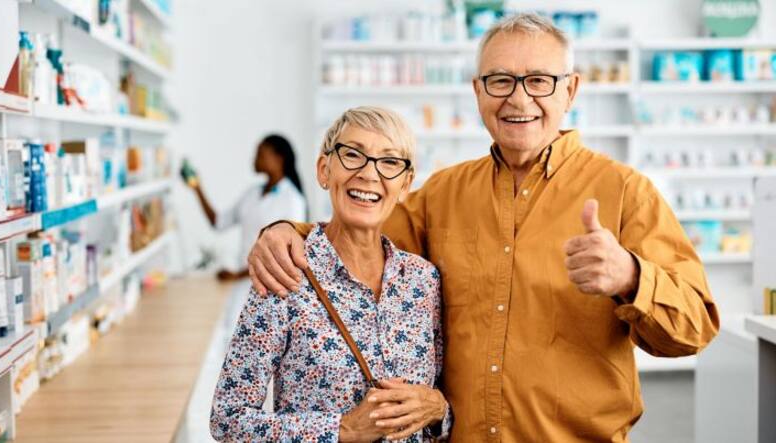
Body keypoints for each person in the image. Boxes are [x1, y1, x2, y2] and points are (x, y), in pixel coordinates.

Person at [246, 13, 720, 443]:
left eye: (538, 81)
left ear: (570, 90)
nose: (518, 98)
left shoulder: (624, 192)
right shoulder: (443, 194)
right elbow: (360, 232)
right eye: (500, 80)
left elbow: (695, 327)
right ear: (478, 91)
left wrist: (632, 277)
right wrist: (287, 228)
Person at [210, 107, 451, 442]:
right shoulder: (285, 271)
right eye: (353, 155)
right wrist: (341, 429)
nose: (369, 174)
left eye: (389, 161)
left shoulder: (423, 281)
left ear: (405, 184)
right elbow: (228, 419)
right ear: (324, 170)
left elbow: (438, 402)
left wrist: (439, 409)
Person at [183, 134, 307, 281]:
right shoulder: (252, 193)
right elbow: (218, 222)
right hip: (245, 281)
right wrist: (197, 188)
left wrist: (237, 275)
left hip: (272, 285)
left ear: (278, 159)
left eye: (260, 154)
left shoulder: (292, 200)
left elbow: (288, 254)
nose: (254, 159)